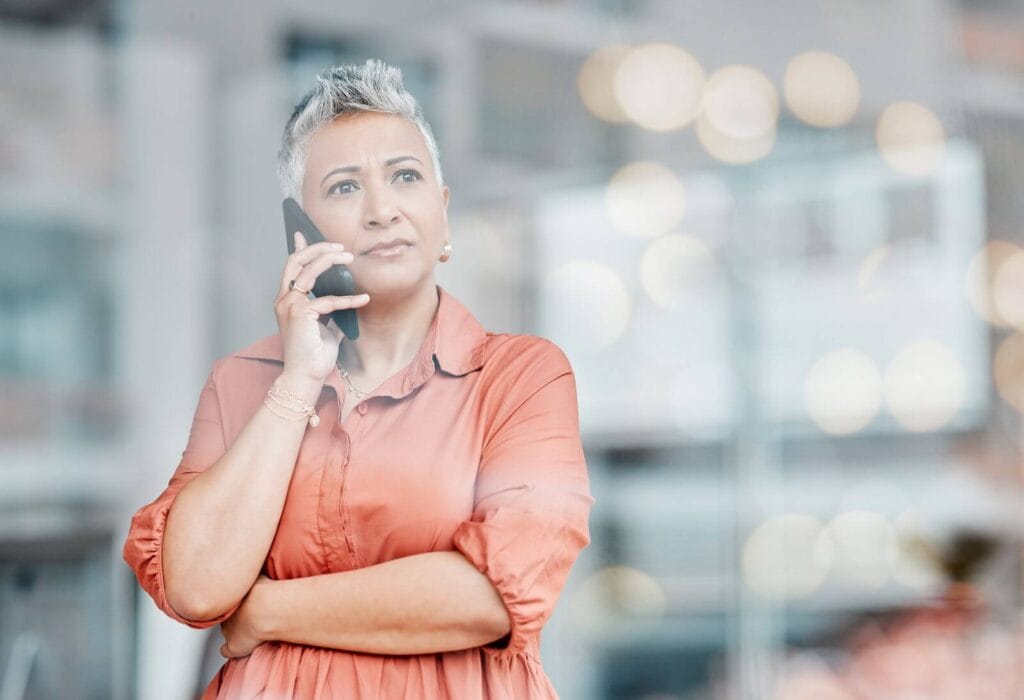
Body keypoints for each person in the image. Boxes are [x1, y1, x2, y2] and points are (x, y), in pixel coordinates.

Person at [122, 58, 595, 699]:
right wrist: (296, 382)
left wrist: (266, 612)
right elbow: (198, 586)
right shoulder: (240, 384)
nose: (382, 210)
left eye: (405, 177)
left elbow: (491, 596)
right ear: (301, 230)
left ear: (444, 213)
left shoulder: (521, 377)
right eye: (345, 187)